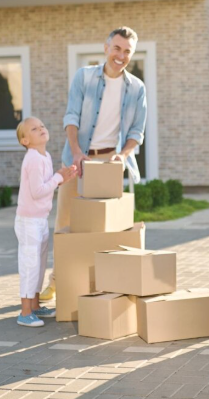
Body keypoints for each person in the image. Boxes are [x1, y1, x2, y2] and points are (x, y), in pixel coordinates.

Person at [40, 26, 148, 301]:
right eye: (117, 48)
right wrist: (76, 151)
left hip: (109, 163)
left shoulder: (136, 88)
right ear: (106, 47)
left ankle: (99, 285)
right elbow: (72, 116)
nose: (121, 56)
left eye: (127, 51)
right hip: (78, 159)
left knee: (105, 227)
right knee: (65, 222)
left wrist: (122, 156)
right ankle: (57, 281)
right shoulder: (85, 77)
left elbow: (137, 131)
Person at [15, 117, 76, 327]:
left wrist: (64, 177)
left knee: (39, 264)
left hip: (40, 219)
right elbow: (37, 191)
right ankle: (24, 312)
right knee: (30, 264)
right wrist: (58, 178)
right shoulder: (32, 159)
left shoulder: (45, 156)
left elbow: (49, 183)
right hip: (29, 221)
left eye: (42, 125)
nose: (41, 128)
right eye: (34, 128)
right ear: (25, 140)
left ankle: (34, 305)